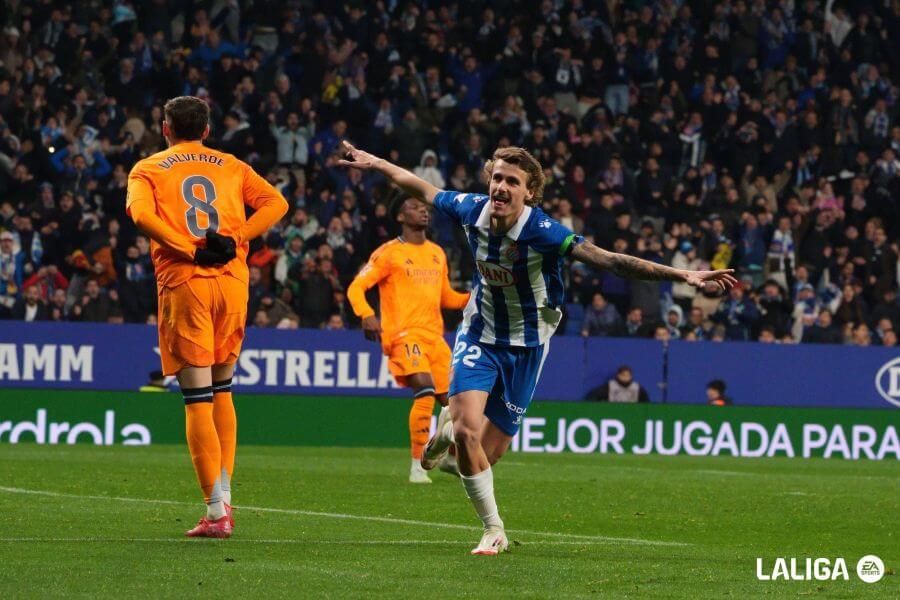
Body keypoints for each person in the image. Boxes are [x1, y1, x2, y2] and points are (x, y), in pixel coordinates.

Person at [338, 141, 735, 555]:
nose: (502, 187)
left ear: (529, 192)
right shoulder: (470, 208)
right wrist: (377, 162)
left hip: (529, 345)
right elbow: (420, 187)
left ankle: (448, 430)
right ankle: (493, 528)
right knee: (472, 431)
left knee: (485, 457)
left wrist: (683, 275)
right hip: (480, 333)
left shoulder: (542, 231)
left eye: (513, 181)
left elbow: (610, 261)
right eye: (498, 178)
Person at [126, 96, 287, 538]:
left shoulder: (149, 168)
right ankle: (226, 498)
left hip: (186, 282)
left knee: (197, 397)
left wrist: (189, 247)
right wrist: (235, 238)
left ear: (165, 128)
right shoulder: (230, 164)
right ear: (207, 129)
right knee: (223, 390)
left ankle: (216, 512)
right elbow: (277, 204)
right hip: (232, 285)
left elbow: (140, 214)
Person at [347, 197, 470, 483]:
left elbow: (445, 297)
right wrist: (365, 313)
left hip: (434, 338)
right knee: (425, 390)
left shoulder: (437, 253)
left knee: (459, 403)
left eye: (424, 207)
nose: (423, 210)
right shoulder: (389, 253)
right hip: (404, 335)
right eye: (415, 206)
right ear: (401, 216)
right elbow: (357, 287)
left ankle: (451, 458)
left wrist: (472, 300)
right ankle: (418, 464)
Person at [585, 365, 650, 403]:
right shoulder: (610, 386)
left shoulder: (637, 388)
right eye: (623, 375)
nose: (625, 378)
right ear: (618, 375)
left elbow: (646, 403)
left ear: (631, 376)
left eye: (628, 375)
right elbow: (594, 397)